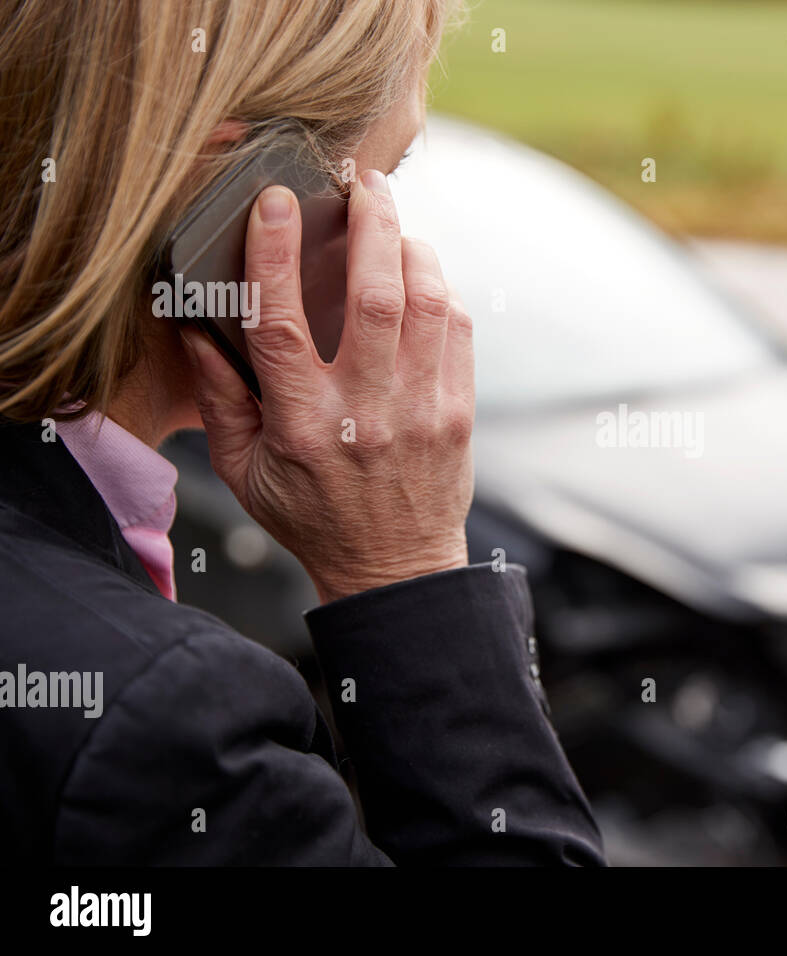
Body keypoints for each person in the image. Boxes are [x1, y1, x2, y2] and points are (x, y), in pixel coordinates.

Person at [0, 0, 605, 865]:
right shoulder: (163, 727)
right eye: (383, 173)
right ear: (242, 200)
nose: (391, 233)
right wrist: (404, 566)